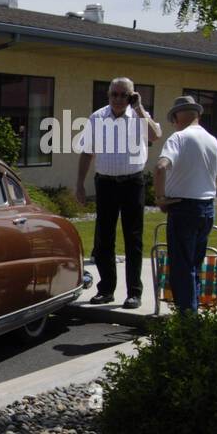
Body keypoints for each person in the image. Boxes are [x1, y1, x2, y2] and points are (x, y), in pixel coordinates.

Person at [75, 76, 162, 308]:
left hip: (133, 183)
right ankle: (106, 290)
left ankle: (134, 292)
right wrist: (80, 184)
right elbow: (87, 152)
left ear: (132, 95)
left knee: (133, 238)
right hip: (105, 184)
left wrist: (140, 107)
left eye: (124, 94)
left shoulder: (139, 116)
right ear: (108, 95)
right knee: (104, 238)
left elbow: (155, 136)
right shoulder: (97, 117)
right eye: (115, 94)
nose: (118, 99)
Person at [155, 96, 217, 313]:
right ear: (197, 115)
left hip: (183, 208)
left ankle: (188, 318)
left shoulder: (179, 138)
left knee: (182, 267)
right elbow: (215, 178)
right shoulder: (212, 140)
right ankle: (192, 311)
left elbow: (161, 167)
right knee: (194, 264)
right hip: (207, 207)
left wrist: (160, 198)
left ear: (176, 117)